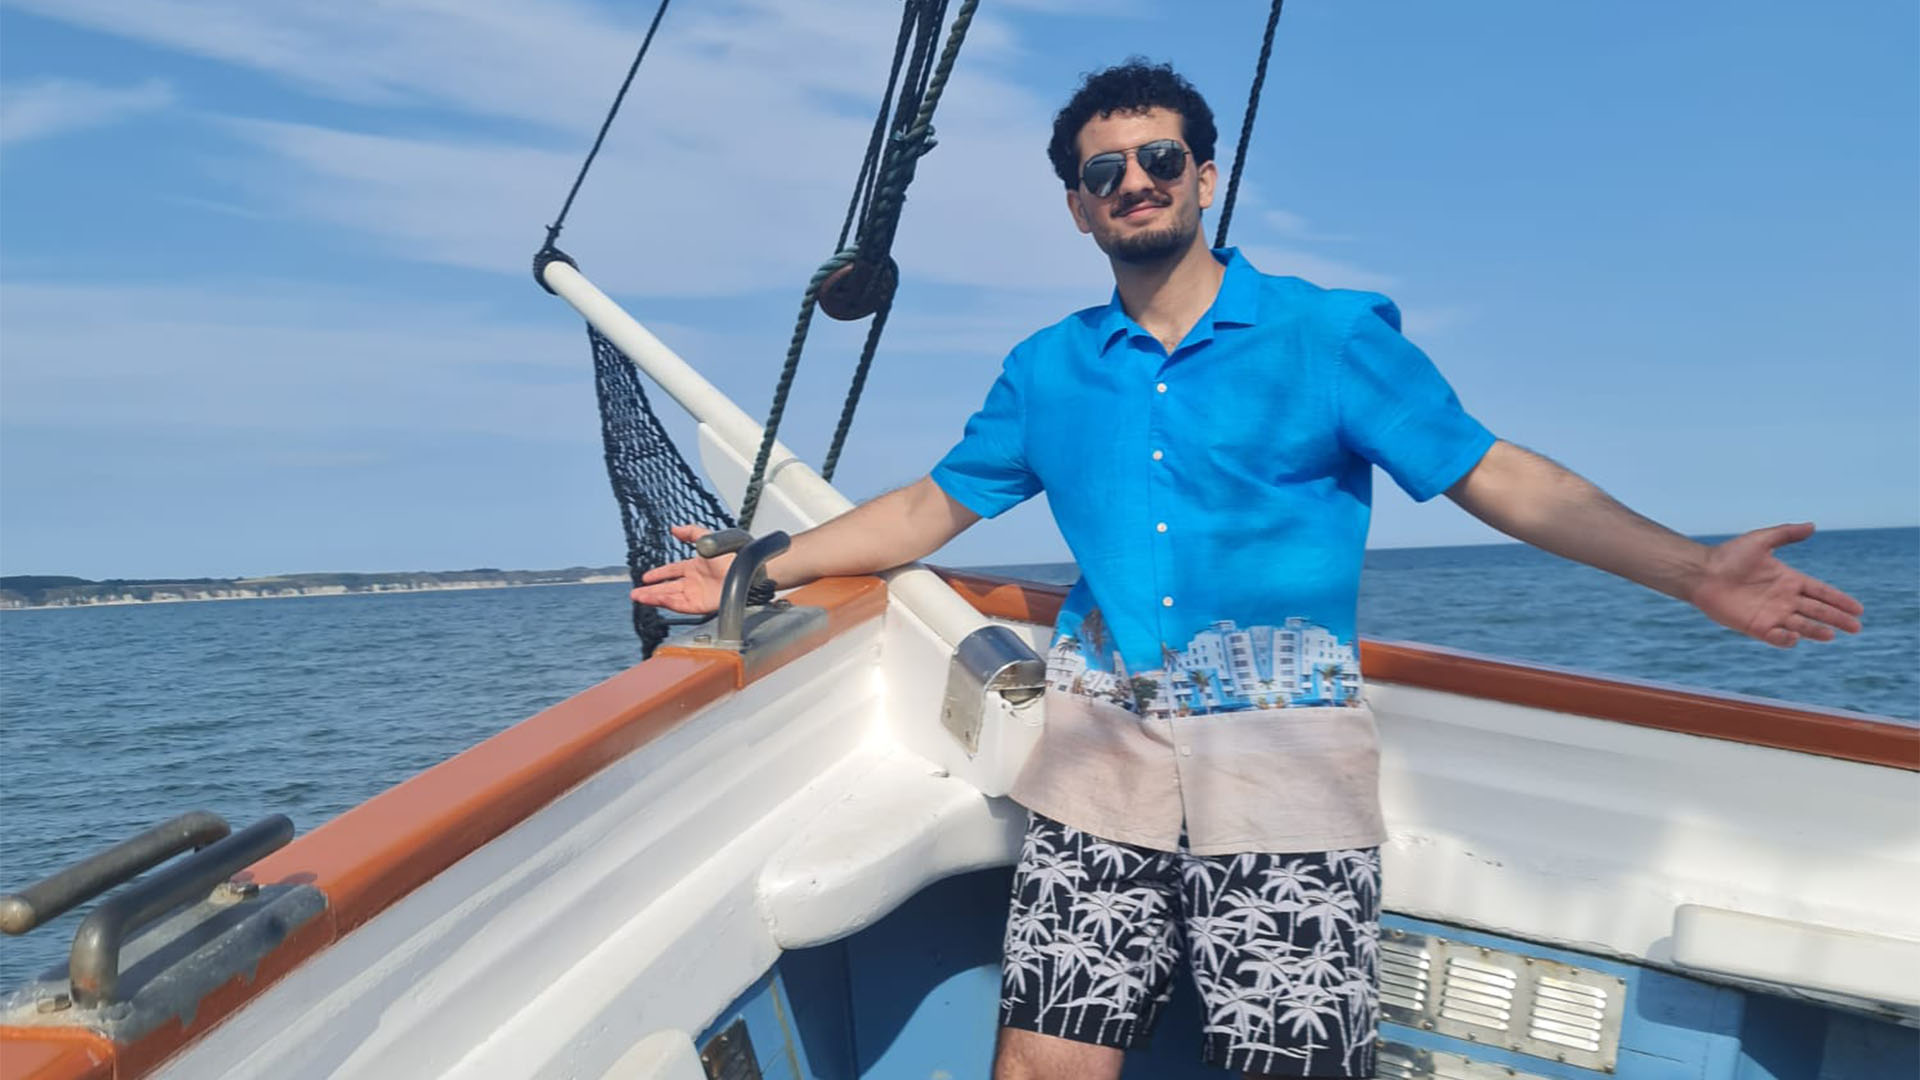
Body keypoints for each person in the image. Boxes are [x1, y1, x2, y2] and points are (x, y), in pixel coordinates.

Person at [633, 60, 1864, 1080]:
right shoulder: (1050, 368)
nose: (1134, 182)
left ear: (1204, 177)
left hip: (1288, 780)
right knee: (1042, 1061)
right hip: (1099, 770)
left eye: (1159, 158)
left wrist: (1694, 571)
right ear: (1078, 209)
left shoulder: (1329, 336)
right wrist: (764, 569)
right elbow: (926, 508)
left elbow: (1497, 474)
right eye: (1103, 172)